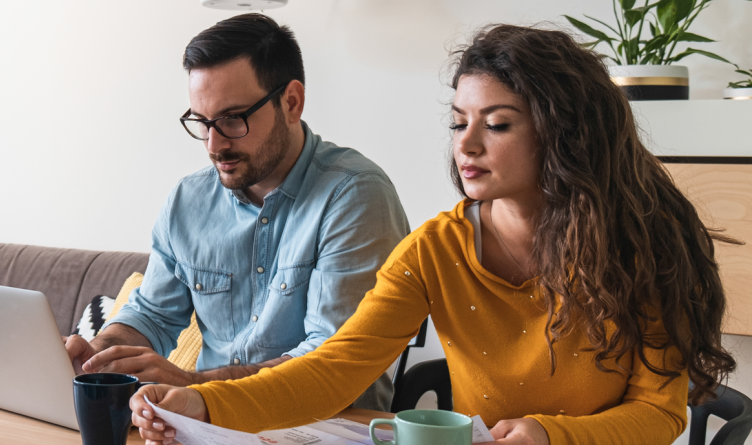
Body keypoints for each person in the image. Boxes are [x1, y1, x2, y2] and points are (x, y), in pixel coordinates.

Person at [131, 24, 739, 445]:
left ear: (563, 133)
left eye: (496, 124)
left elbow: (659, 414)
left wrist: (554, 435)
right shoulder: (435, 250)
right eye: (458, 123)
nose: (467, 145)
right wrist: (206, 405)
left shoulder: (641, 247)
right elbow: (336, 368)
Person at [63, 13, 409, 411]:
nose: (214, 145)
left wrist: (195, 387)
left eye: (232, 119)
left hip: (323, 428)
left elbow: (329, 363)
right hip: (200, 425)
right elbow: (153, 315)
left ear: (291, 102)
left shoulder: (355, 196)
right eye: (202, 122)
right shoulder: (188, 201)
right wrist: (99, 353)